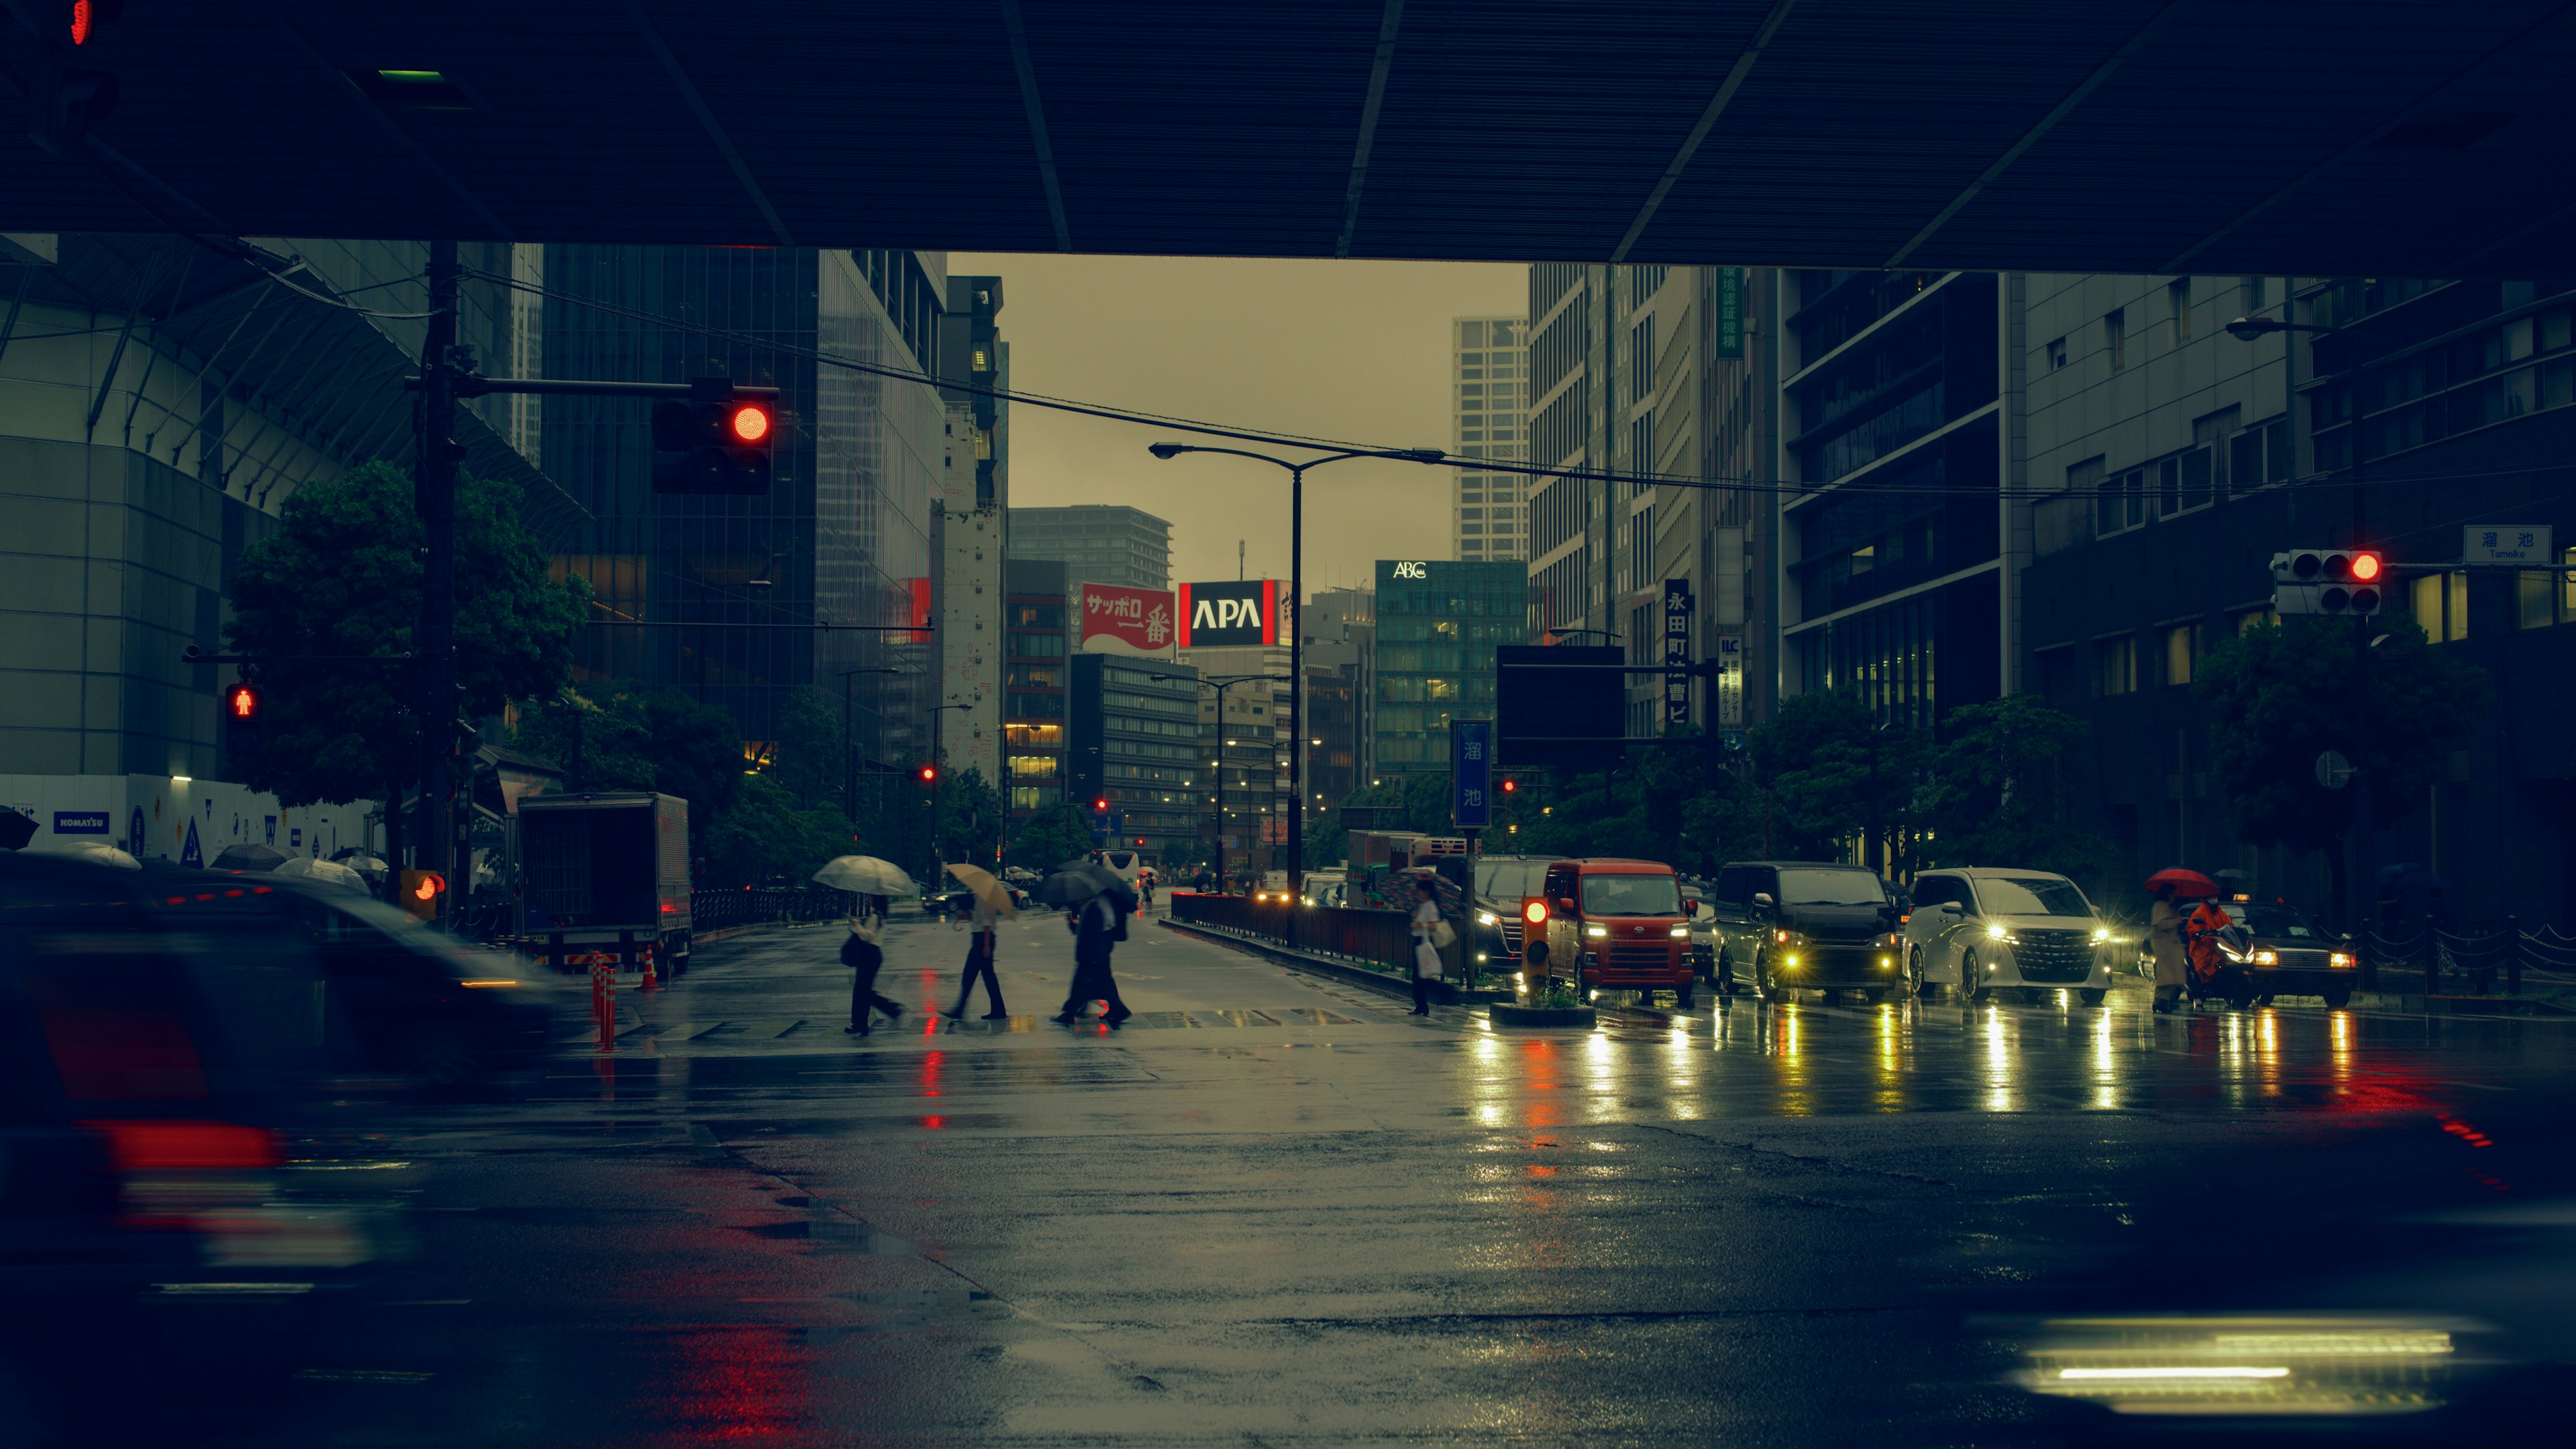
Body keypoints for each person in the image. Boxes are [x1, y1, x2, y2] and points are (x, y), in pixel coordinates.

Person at [1055, 887, 1133, 1025]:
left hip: (1095, 952)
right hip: (1093, 952)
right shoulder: (1090, 907)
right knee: (1104, 984)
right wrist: (1071, 924)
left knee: (1082, 983)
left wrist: (1096, 957)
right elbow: (1083, 931)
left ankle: (1070, 1012)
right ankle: (1119, 1009)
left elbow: (1096, 933)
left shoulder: (1095, 908)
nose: (1077, 900)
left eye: (1080, 896)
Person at [945, 888, 1008, 1020]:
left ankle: (960, 1010)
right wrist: (967, 917)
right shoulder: (982, 897)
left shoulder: (983, 898)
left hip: (982, 941)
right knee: (989, 977)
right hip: (983, 939)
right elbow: (980, 918)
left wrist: (985, 945)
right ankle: (999, 1010)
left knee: (969, 975)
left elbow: (987, 922)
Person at [842, 912, 902, 1035]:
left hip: (870, 955)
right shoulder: (872, 914)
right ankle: (859, 1024)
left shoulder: (874, 915)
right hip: (866, 955)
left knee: (864, 991)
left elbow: (868, 936)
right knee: (860, 991)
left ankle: (893, 1010)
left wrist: (857, 925)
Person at [2149, 883, 2188, 1014]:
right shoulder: (2160, 906)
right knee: (2167, 975)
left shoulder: (2169, 907)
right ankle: (2161, 1001)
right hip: (2164, 946)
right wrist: (2176, 921)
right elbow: (2162, 923)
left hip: (2171, 946)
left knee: (2171, 975)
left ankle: (2164, 1001)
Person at [1407, 875, 1443, 1017]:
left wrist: (1418, 924)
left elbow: (1434, 926)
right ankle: (1421, 1005)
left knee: (1421, 975)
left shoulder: (1431, 906)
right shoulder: (1423, 906)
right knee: (1419, 975)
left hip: (1425, 941)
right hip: (1419, 941)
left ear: (1426, 891)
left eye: (1420, 891)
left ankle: (1423, 1004)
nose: (1418, 893)